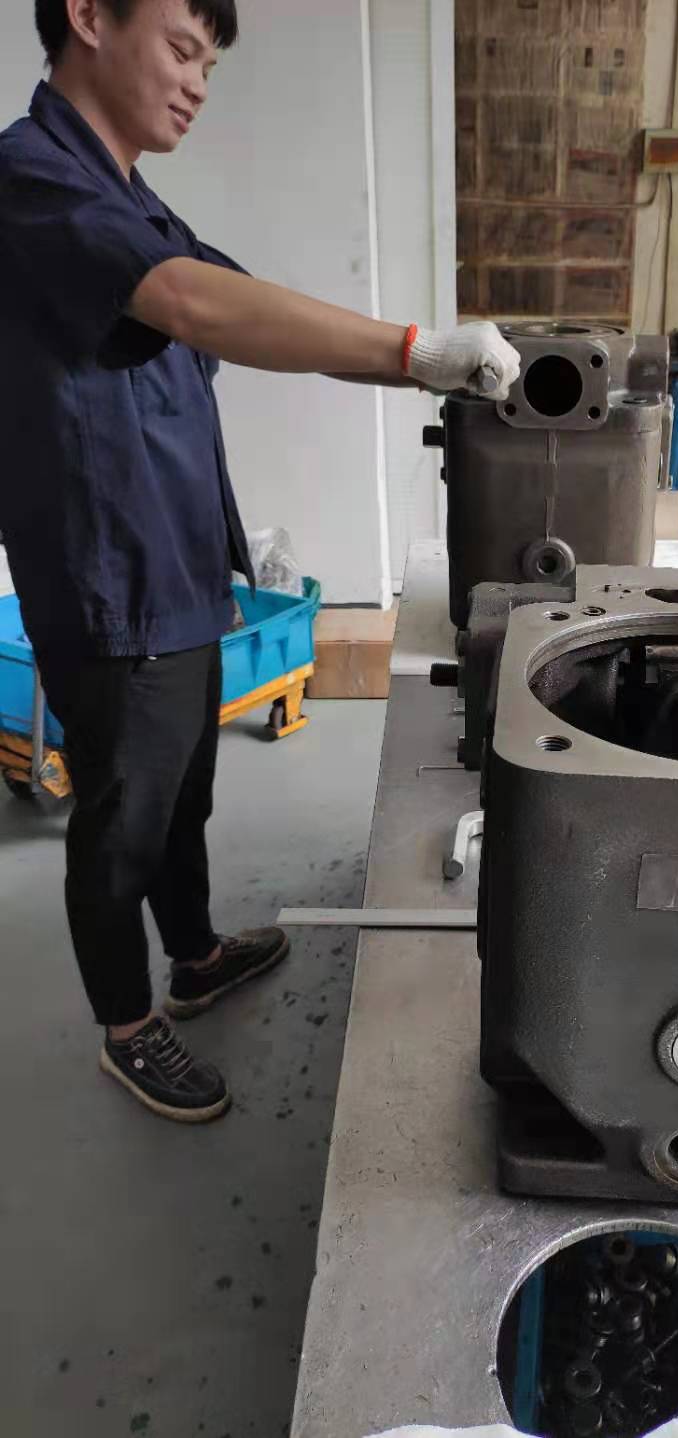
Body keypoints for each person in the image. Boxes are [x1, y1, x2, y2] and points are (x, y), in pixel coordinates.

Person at [0, 0, 521, 1123]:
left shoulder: (132, 200)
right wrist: (414, 352)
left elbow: (257, 312)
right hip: (109, 578)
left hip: (179, 565)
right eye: (182, 49)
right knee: (122, 818)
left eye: (210, 63)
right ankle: (126, 1026)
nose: (198, 82)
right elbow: (197, 304)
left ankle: (191, 958)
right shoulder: (32, 180)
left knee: (183, 787)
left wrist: (423, 359)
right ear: (87, 16)